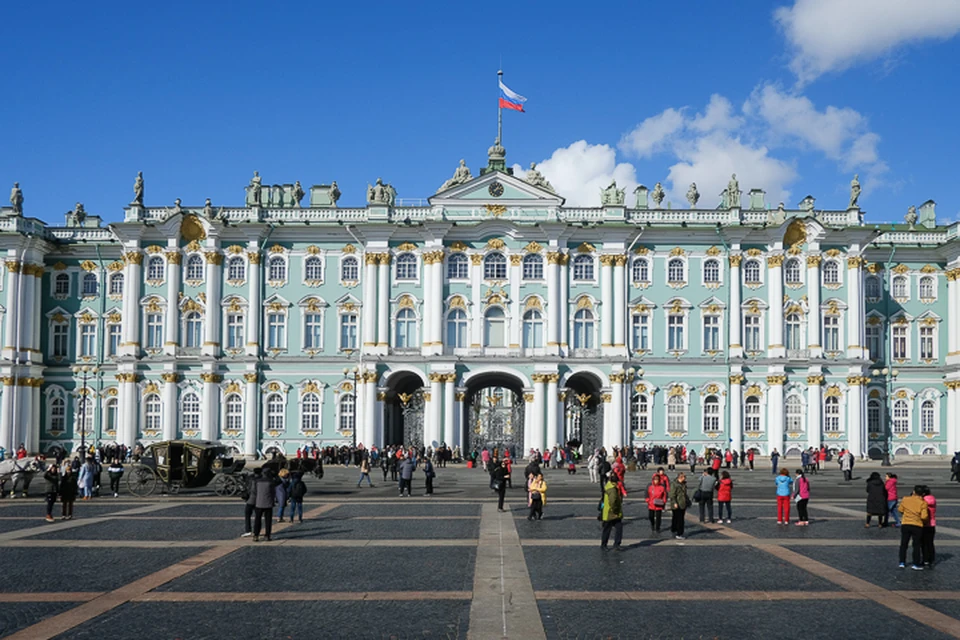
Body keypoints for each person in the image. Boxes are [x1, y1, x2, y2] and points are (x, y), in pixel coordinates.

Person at [897, 486, 930, 570]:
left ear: (913, 492)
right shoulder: (923, 503)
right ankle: (915, 564)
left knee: (903, 544)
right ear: (922, 494)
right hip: (917, 525)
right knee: (916, 545)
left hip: (906, 523)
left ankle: (902, 562)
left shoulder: (905, 499)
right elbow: (924, 516)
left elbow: (900, 509)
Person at [601, 473, 624, 551]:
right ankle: (612, 544)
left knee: (611, 529)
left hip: (609, 512)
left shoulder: (609, 486)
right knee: (612, 529)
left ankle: (606, 545)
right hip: (612, 513)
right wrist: (615, 510)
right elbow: (613, 501)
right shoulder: (612, 489)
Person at [253, 470, 276, 542]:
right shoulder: (271, 482)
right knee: (268, 521)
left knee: (257, 520)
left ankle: (256, 535)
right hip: (268, 503)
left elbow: (254, 491)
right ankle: (267, 535)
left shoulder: (257, 481)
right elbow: (273, 493)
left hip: (259, 503)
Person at [669, 472, 690, 540]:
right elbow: (672, 494)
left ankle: (674, 530)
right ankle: (679, 533)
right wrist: (674, 502)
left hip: (682, 503)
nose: (685, 478)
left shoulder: (684, 484)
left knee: (678, 518)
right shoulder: (674, 484)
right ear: (680, 477)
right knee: (679, 519)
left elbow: (684, 494)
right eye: (684, 477)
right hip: (677, 504)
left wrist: (687, 501)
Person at [241, 468, 261, 537]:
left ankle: (248, 530)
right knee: (258, 516)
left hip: (251, 500)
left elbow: (250, 490)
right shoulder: (261, 479)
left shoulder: (252, 480)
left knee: (247, 514)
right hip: (259, 500)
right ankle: (256, 531)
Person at [920, 485, 936, 567]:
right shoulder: (932, 499)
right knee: (930, 543)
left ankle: (925, 559)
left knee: (923, 543)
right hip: (932, 524)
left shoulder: (923, 501)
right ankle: (932, 559)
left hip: (924, 524)